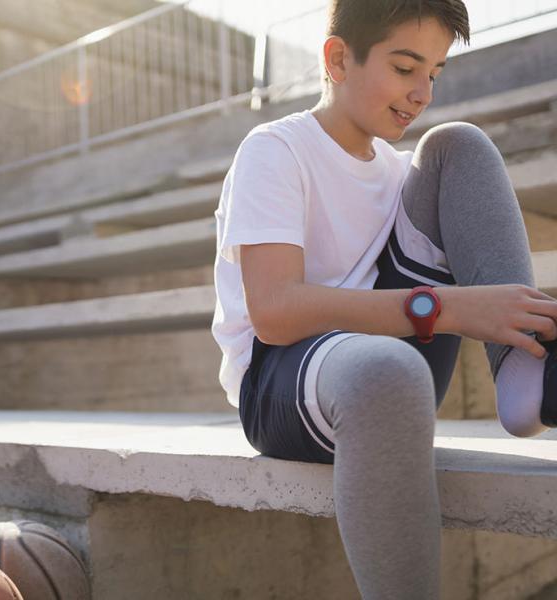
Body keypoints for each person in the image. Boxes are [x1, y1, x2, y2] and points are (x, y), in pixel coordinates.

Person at [210, 0, 557, 597]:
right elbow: (274, 312)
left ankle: (527, 376)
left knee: (457, 144)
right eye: (405, 68)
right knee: (384, 370)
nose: (423, 92)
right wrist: (449, 308)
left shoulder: (402, 174)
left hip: (395, 364)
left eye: (435, 73)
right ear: (339, 58)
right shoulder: (275, 150)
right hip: (286, 380)